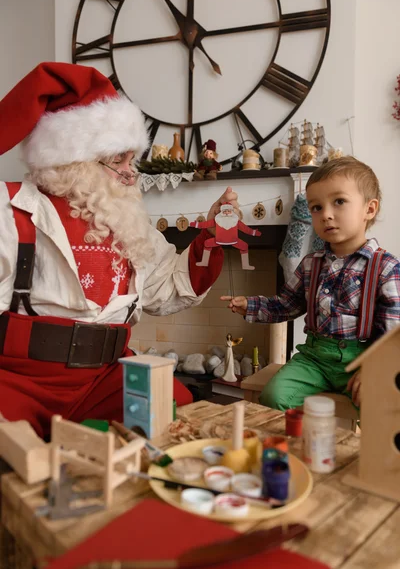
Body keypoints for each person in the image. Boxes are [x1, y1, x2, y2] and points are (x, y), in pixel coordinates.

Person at [0, 62, 239, 438]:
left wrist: (210, 237)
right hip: (18, 382)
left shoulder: (128, 223)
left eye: (132, 161)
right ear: (74, 161)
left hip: (103, 380)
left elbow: (167, 288)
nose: (131, 174)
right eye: (118, 161)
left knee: (175, 423)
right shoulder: (10, 210)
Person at [222, 156, 400, 410]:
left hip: (363, 360)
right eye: (316, 207)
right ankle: (286, 447)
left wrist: (376, 368)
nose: (326, 215)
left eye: (339, 202)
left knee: (383, 405)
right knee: (274, 396)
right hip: (313, 360)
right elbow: (286, 305)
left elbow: (394, 334)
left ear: (369, 209)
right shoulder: (311, 263)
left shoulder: (386, 267)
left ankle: (363, 449)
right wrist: (250, 306)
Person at [190, 202, 261, 270]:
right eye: (224, 211)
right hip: (218, 240)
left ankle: (245, 265)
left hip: (234, 241)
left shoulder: (236, 221)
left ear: (231, 211)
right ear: (221, 212)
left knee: (244, 246)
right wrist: (197, 225)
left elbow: (245, 229)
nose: (226, 213)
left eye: (228, 211)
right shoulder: (217, 220)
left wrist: (253, 232)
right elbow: (206, 224)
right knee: (207, 243)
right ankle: (204, 262)